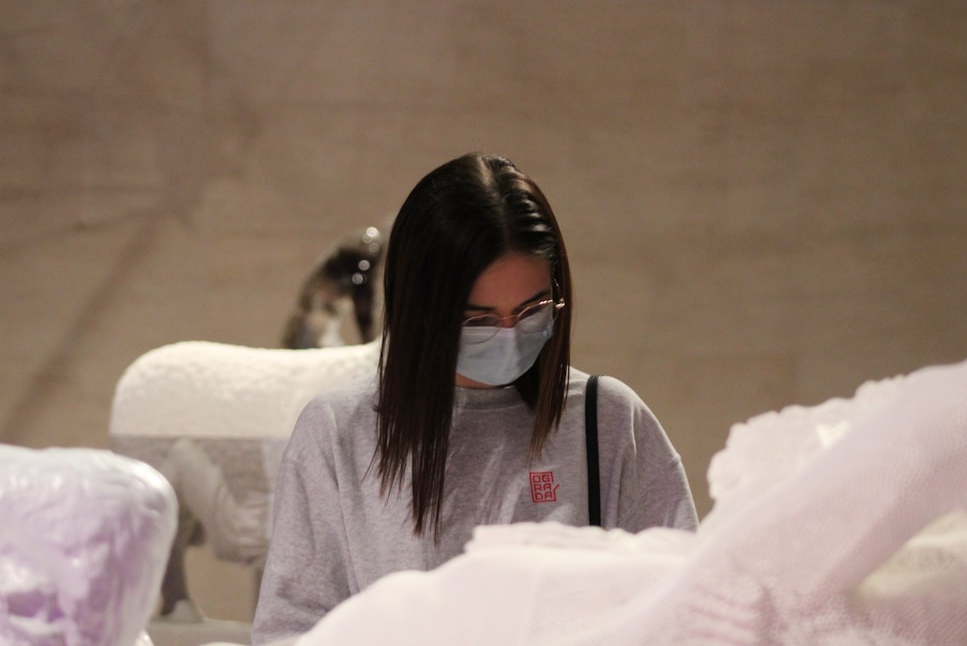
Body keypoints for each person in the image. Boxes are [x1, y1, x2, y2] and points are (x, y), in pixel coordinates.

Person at [251, 153, 698, 645]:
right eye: (479, 318)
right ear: (423, 310)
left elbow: (684, 608)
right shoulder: (342, 431)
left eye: (531, 309)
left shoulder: (607, 420)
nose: (509, 335)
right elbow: (293, 628)